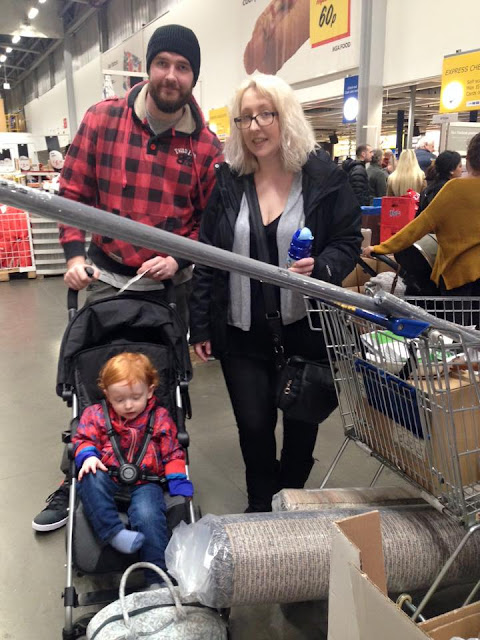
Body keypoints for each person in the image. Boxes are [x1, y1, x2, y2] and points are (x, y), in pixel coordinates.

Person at [33, 24, 222, 533]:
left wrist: (180, 263)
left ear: (193, 77)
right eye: (163, 63)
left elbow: (209, 225)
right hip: (105, 276)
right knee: (97, 382)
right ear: (148, 68)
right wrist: (74, 254)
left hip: (166, 286)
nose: (171, 75)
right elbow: (71, 191)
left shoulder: (205, 146)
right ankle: (76, 472)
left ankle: (164, 473)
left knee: (159, 386)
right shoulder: (103, 120)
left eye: (183, 67)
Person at [189, 74, 362, 512]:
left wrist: (322, 268)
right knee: (254, 428)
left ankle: (291, 502)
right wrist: (200, 323)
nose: (254, 126)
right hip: (241, 333)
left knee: (302, 428)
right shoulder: (229, 180)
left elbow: (347, 241)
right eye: (245, 117)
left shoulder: (322, 177)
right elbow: (209, 254)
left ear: (286, 118)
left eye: (266, 114)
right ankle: (260, 507)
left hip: (305, 329)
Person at [73, 352, 193, 585]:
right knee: (88, 477)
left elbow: (172, 451)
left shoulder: (159, 418)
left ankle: (157, 578)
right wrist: (87, 456)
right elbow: (83, 438)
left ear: (150, 391)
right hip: (107, 476)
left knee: (149, 516)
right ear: (106, 394)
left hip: (146, 483)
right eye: (119, 400)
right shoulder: (95, 415)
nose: (128, 405)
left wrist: (178, 481)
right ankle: (114, 533)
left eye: (135, 397)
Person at [363, 133, 480, 296]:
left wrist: (381, 248)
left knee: (453, 321)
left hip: (461, 278)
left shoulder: (455, 189)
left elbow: (418, 227)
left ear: (468, 159)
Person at [416, 150, 462, 216]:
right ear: (451, 170)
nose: (461, 170)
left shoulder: (429, 189)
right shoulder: (449, 190)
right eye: (459, 166)